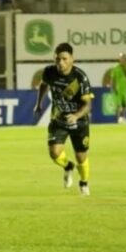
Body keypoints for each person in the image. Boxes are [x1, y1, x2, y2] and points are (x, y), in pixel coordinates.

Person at [33, 43, 94, 196]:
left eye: (64, 59)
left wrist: (76, 116)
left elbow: (87, 104)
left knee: (81, 157)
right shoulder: (49, 72)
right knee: (54, 153)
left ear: (72, 59)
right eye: (58, 59)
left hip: (79, 122)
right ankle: (67, 167)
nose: (61, 63)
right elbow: (43, 85)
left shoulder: (80, 77)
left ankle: (84, 182)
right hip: (58, 119)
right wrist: (38, 103)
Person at [110, 52, 126, 123]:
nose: (122, 59)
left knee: (125, 105)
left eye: (124, 58)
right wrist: (113, 88)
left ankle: (124, 118)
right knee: (118, 106)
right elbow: (112, 79)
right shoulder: (115, 68)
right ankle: (118, 119)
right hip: (118, 89)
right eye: (121, 58)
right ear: (119, 59)